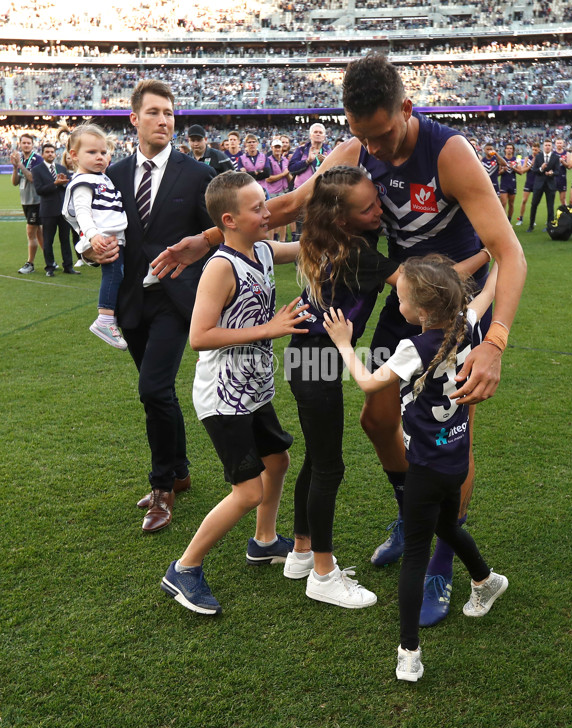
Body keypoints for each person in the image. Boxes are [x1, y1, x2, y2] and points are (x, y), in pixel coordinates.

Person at [150, 55, 526, 624]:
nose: (370, 150)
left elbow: (510, 252)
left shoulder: (450, 155)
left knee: (447, 431)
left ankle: (439, 564)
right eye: (359, 136)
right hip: (405, 295)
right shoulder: (353, 153)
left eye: (379, 135)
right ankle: (411, 515)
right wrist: (205, 240)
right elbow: (282, 207)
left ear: (406, 109)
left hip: (456, 304)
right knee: (376, 421)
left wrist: (494, 341)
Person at [283, 166, 493, 609]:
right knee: (327, 469)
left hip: (304, 356)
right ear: (344, 219)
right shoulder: (358, 252)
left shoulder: (331, 238)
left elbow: (291, 246)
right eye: (369, 207)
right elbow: (427, 285)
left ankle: (301, 553)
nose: (382, 208)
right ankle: (321, 571)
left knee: (317, 461)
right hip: (318, 359)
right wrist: (488, 255)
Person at [324, 254, 508, 682]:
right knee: (447, 526)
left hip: (423, 465)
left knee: (416, 556)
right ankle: (485, 579)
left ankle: (409, 652)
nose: (397, 300)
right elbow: (488, 291)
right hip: (456, 459)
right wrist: (501, 253)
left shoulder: (412, 347)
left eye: (401, 297)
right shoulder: (469, 322)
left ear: (422, 312)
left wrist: (344, 344)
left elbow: (369, 383)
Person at [160, 171, 311, 615]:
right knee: (248, 491)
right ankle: (184, 569)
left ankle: (264, 542)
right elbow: (200, 336)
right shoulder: (220, 267)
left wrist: (346, 234)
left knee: (278, 461)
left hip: (253, 389)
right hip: (223, 397)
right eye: (258, 208)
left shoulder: (262, 250)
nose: (269, 213)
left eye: (265, 204)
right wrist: (271, 328)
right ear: (230, 219)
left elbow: (305, 249)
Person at [88, 79, 215, 533]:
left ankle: (162, 486)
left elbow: (216, 240)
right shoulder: (114, 176)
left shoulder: (198, 174)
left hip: (175, 302)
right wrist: (90, 251)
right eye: (155, 112)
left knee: (152, 389)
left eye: (169, 112)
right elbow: (96, 232)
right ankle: (179, 471)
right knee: (157, 392)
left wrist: (200, 281)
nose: (165, 120)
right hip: (130, 302)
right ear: (134, 119)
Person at [62, 124, 128, 349]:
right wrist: (92, 236)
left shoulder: (101, 177)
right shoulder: (83, 182)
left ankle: (111, 315)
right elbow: (83, 213)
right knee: (113, 274)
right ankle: (105, 319)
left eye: (103, 152)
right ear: (74, 155)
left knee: (119, 273)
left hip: (114, 236)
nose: (100, 157)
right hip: (104, 238)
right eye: (92, 152)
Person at [32, 142, 79, 277]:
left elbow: (67, 188)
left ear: (55, 153)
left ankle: (68, 266)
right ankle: (50, 268)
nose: (50, 154)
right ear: (43, 154)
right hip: (48, 211)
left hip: (62, 210)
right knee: (48, 240)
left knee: (65, 239)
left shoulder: (61, 168)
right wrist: (55, 184)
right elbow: (39, 190)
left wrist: (64, 184)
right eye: (47, 152)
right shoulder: (37, 170)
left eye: (52, 152)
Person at [11, 133, 44, 275]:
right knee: (38, 233)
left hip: (36, 200)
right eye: (23, 143)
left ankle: (30, 263)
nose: (26, 145)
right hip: (25, 200)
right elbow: (14, 182)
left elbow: (32, 178)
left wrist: (20, 165)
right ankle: (51, 260)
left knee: (30, 232)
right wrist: (14, 167)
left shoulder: (37, 159)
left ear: (33, 144)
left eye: (28, 143)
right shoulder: (20, 160)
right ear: (20, 144)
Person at [527, 139, 561, 233]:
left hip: (550, 184)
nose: (547, 147)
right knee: (534, 204)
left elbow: (558, 171)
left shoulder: (555, 157)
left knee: (550, 206)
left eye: (549, 145)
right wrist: (541, 169)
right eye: (546, 145)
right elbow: (534, 170)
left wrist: (552, 173)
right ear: (543, 146)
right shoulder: (538, 157)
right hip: (539, 184)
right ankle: (531, 225)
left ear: (551, 146)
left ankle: (549, 226)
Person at [288, 123, 331, 190]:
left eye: (320, 132)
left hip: (322, 190)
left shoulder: (329, 152)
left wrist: (327, 163)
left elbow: (335, 172)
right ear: (310, 136)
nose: (318, 134)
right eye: (315, 132)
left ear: (324, 137)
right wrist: (307, 161)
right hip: (301, 190)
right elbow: (291, 169)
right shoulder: (301, 150)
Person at [265, 137, 291, 241]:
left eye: (279, 147)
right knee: (271, 218)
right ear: (272, 148)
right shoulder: (268, 160)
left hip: (283, 190)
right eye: (275, 147)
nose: (277, 149)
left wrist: (287, 174)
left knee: (283, 219)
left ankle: (282, 241)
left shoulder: (285, 160)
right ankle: (271, 241)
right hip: (272, 192)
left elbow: (289, 177)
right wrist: (283, 174)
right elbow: (269, 179)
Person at [516, 141, 540, 226]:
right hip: (528, 182)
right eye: (533, 149)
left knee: (534, 203)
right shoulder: (527, 158)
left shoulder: (541, 158)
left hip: (537, 183)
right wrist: (531, 165)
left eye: (536, 150)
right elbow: (522, 170)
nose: (534, 151)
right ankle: (520, 219)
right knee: (524, 200)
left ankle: (532, 220)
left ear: (539, 150)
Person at [499, 143, 522, 222]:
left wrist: (513, 168)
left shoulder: (516, 160)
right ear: (505, 150)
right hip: (504, 183)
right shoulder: (501, 160)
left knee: (511, 204)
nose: (509, 150)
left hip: (512, 184)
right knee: (503, 203)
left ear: (513, 150)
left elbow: (521, 172)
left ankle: (509, 220)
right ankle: (503, 221)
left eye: (511, 148)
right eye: (507, 148)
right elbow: (497, 173)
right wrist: (502, 170)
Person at [554, 138, 569, 208]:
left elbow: (569, 166)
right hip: (553, 178)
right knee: (551, 199)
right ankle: (550, 217)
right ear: (555, 144)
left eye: (560, 143)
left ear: (563, 144)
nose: (559, 144)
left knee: (563, 199)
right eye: (558, 143)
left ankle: (566, 215)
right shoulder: (552, 154)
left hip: (562, 177)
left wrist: (563, 162)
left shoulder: (567, 154)